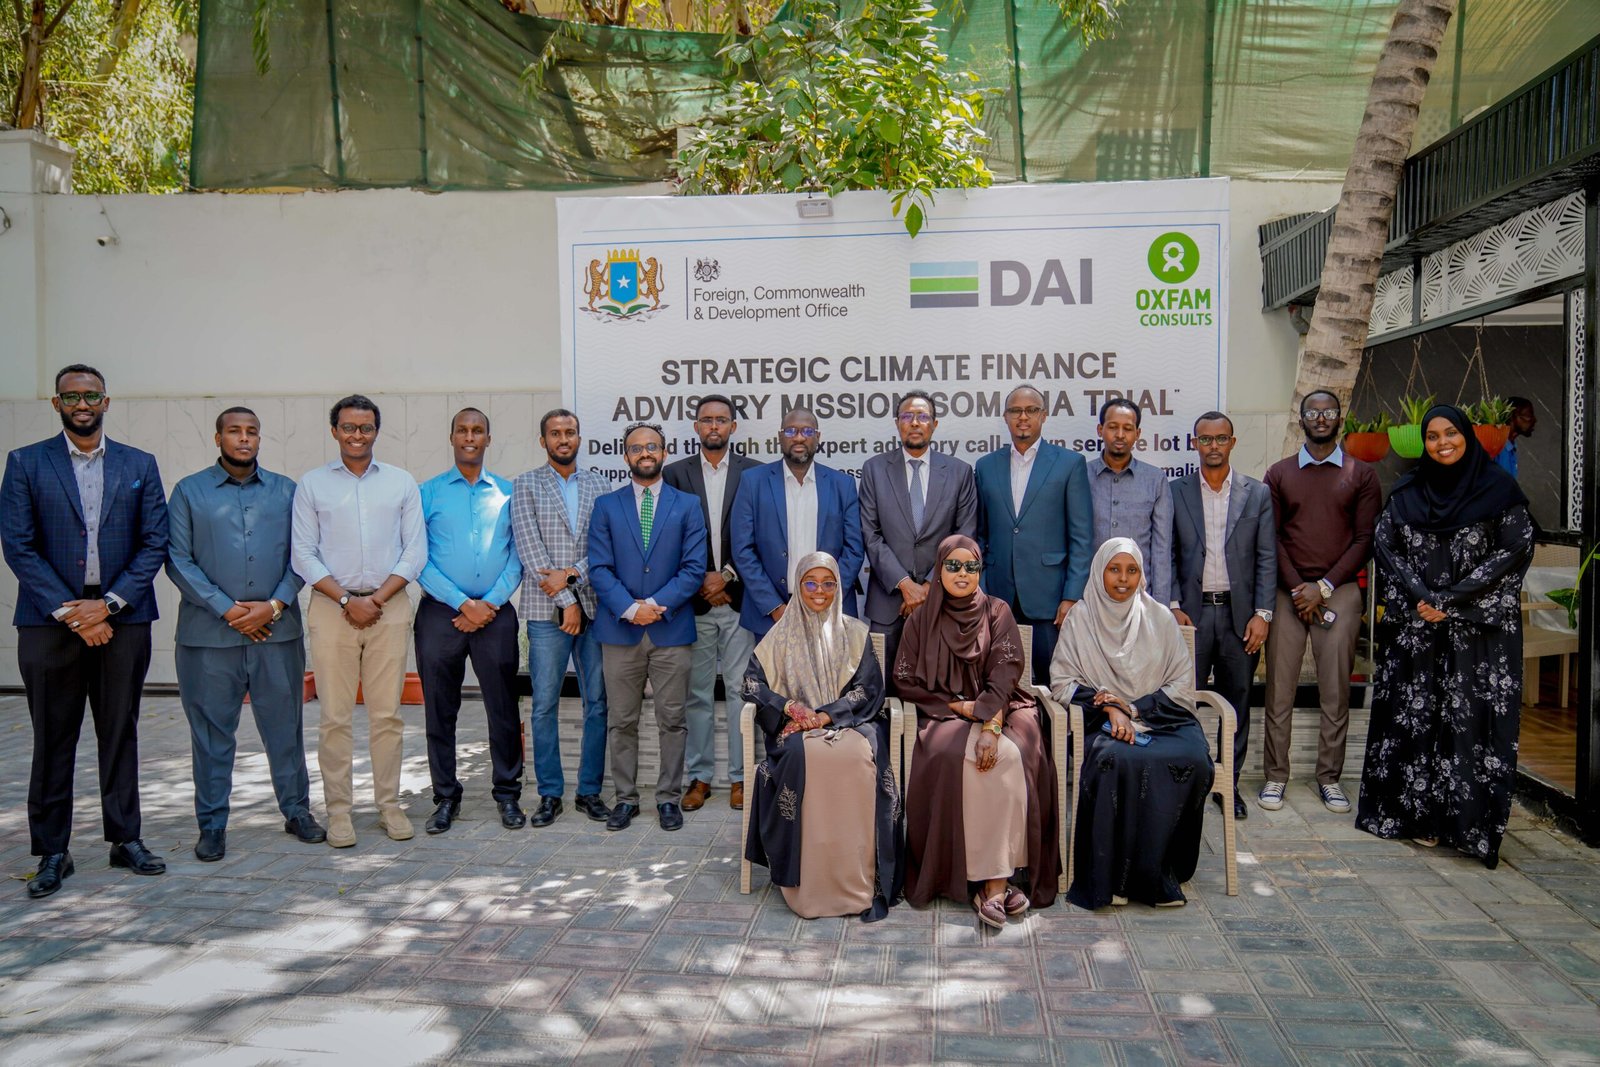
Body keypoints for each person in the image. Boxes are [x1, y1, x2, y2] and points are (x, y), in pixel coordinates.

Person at [2, 365, 170, 897]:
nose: (82, 404)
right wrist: (73, 613)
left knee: (120, 730)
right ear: (56, 403)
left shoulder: (139, 464)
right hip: (49, 622)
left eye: (91, 396)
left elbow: (155, 542)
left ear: (106, 402)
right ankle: (52, 851)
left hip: (124, 617)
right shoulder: (26, 462)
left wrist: (109, 605)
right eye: (71, 396)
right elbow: (18, 544)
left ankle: (126, 839)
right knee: (54, 737)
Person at [1356, 405, 1533, 868]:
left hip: (1476, 639)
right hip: (1418, 630)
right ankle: (1418, 819)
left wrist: (1451, 600)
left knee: (1467, 726)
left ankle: (1465, 825)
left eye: (1450, 433)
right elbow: (1385, 546)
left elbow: (1514, 550)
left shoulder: (1500, 491)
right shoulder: (1408, 491)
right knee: (1415, 722)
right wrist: (1422, 596)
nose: (1442, 443)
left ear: (1467, 436)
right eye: (1432, 436)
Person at [166, 406, 325, 863]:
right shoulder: (189, 491)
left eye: (251, 432)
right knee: (211, 735)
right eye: (234, 431)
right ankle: (212, 824)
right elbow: (177, 558)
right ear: (218, 438)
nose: (243, 438)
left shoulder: (287, 491)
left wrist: (273, 605)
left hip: (277, 633)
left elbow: (304, 555)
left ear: (259, 438)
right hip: (207, 638)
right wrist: (227, 608)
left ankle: (297, 811)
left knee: (285, 729)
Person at [895, 535, 1061, 924]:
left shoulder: (997, 611)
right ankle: (982, 879)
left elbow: (1005, 672)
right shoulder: (920, 619)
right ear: (939, 570)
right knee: (953, 758)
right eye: (952, 565)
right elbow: (904, 679)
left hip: (1000, 706)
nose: (962, 573)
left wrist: (990, 722)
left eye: (971, 566)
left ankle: (995, 884)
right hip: (945, 712)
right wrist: (958, 706)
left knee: (1011, 755)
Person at [291, 394, 427, 848]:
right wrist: (349, 599)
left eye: (365, 427)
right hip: (332, 608)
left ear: (376, 432)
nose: (357, 435)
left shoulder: (400, 482)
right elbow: (303, 553)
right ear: (334, 431)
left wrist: (376, 599)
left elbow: (414, 550)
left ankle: (389, 805)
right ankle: (339, 812)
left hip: (389, 607)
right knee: (335, 717)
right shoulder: (312, 484)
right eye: (348, 427)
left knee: (387, 714)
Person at [1050, 539, 1214, 910]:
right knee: (1117, 759)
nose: (1123, 579)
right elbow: (1062, 682)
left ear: (1142, 576)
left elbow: (1181, 684)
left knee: (1193, 759)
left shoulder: (1159, 617)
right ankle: (1114, 879)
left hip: (1163, 718)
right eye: (1114, 569)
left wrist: (1135, 708)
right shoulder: (1081, 618)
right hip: (1104, 722)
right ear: (1099, 572)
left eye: (1132, 570)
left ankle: (1159, 875)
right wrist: (1111, 707)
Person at [742, 552, 900, 921]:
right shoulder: (778, 636)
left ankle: (859, 879)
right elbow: (751, 685)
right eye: (810, 583)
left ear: (838, 587)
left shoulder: (855, 633)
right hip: (794, 730)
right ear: (798, 587)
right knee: (805, 758)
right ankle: (810, 884)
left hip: (847, 724)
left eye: (828, 583)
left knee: (857, 758)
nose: (819, 591)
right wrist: (791, 709)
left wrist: (826, 716)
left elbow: (869, 690)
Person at [1260, 390, 1381, 816]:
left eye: (1328, 411)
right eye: (1313, 412)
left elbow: (1365, 539)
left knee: (1335, 689)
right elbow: (1271, 537)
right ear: (1302, 419)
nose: (1321, 417)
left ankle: (1329, 778)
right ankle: (1276, 776)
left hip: (1340, 589)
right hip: (1288, 590)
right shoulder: (1279, 474)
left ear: (1339, 418)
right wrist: (1299, 588)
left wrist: (1324, 587)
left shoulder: (1361, 474)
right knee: (1279, 689)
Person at [588, 422, 708, 832]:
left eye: (652, 447)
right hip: (619, 631)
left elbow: (693, 568)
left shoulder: (687, 505)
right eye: (636, 448)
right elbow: (599, 568)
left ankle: (668, 798)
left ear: (664, 452)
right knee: (621, 721)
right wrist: (629, 608)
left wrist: (654, 606)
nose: (645, 453)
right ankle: (625, 799)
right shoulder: (607, 506)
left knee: (672, 720)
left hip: (670, 629)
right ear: (625, 456)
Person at [415, 408, 525, 834]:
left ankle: (507, 794)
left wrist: (488, 604)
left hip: (495, 614)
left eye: (478, 430)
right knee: (440, 709)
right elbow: (417, 556)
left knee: (502, 707)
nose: (469, 436)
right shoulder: (427, 493)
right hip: (440, 613)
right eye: (462, 430)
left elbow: (517, 555)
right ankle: (445, 797)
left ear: (488, 439)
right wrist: (462, 603)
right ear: (451, 437)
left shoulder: (509, 493)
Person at [1169, 411, 1276, 821]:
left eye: (1220, 438)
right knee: (1185, 702)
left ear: (1232, 442)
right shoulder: (1175, 491)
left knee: (1237, 704)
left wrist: (1262, 614)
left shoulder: (1257, 493)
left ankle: (1227, 786)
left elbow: (1266, 557)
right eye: (1205, 439)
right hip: (1191, 617)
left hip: (1239, 617)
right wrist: (1173, 606)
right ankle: (1188, 782)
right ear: (1193, 443)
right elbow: (1168, 553)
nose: (1213, 445)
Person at [511, 409, 612, 827]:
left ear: (579, 438)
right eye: (555, 433)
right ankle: (549, 793)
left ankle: (589, 792)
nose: (563, 439)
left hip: (595, 609)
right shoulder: (525, 485)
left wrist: (571, 577)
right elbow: (530, 550)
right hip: (544, 611)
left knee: (597, 704)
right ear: (543, 441)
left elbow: (604, 548)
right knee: (544, 705)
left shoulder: (599, 485)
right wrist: (567, 601)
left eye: (570, 432)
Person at [663, 394, 761, 813]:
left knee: (741, 692)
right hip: (694, 602)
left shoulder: (755, 473)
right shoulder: (673, 474)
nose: (714, 426)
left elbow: (761, 532)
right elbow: (667, 536)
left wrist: (727, 576)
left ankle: (741, 777)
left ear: (733, 427)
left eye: (722, 420)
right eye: (707, 420)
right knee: (697, 694)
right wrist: (702, 578)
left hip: (739, 601)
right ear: (696, 426)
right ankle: (700, 777)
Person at [974, 385, 1093, 682]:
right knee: (999, 680)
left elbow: (1081, 538)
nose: (1023, 417)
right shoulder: (986, 466)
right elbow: (980, 534)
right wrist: (982, 588)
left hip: (1049, 600)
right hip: (998, 596)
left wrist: (1072, 596)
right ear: (1005, 417)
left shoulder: (1069, 464)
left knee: (1050, 683)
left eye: (1031, 410)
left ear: (1044, 415)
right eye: (1015, 410)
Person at [859, 390, 978, 680]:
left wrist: (929, 585)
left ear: (934, 425)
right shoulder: (874, 469)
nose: (914, 422)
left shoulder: (959, 472)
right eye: (907, 416)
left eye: (923, 416)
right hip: (888, 603)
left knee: (940, 685)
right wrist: (905, 584)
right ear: (897, 423)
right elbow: (870, 534)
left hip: (943, 600)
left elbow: (964, 537)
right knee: (882, 686)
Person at [729, 407, 865, 640]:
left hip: (830, 611)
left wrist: (825, 597)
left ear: (818, 437)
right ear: (780, 436)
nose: (799, 437)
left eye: (807, 431)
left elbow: (854, 549)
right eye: (791, 431)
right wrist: (773, 606)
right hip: (772, 614)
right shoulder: (753, 482)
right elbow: (743, 549)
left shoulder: (842, 485)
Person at [1087, 398, 1173, 605]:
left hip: (1139, 599)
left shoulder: (1155, 480)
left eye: (1127, 428)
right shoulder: (1080, 476)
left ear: (1137, 433)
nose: (1120, 434)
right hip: (1089, 598)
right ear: (1100, 430)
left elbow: (1161, 550)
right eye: (1112, 427)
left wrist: (1159, 607)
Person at [1493, 396, 1536, 478]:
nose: (1534, 420)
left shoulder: (1510, 447)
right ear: (1512, 416)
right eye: (1529, 415)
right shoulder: (1496, 447)